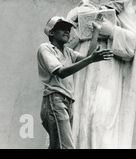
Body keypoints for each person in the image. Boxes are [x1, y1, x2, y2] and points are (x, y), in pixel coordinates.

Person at [66, 0, 136, 148]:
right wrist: (78, 31)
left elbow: (133, 46)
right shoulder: (77, 10)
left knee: (101, 120)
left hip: (107, 70)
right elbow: (61, 46)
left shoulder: (121, 11)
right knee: (78, 119)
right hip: (80, 72)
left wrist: (111, 31)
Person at [37, 16, 113, 149]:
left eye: (68, 29)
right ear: (51, 33)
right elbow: (61, 72)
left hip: (67, 102)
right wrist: (90, 60)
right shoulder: (46, 48)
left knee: (57, 146)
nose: (67, 31)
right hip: (55, 100)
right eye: (62, 28)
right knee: (66, 146)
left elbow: (88, 57)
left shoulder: (67, 52)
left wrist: (96, 30)